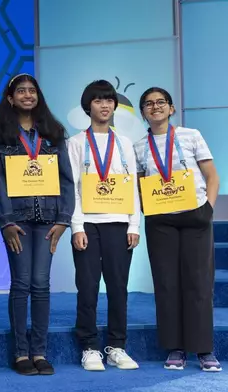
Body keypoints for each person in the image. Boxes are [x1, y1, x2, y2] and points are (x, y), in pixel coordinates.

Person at [0, 73, 74, 376]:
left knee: (42, 285)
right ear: (10, 98)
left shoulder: (53, 132)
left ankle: (40, 351)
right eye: (20, 91)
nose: (27, 95)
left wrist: (64, 220)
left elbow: (66, 180)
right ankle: (21, 353)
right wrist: (6, 221)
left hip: (49, 220)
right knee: (21, 284)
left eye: (32, 90)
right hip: (18, 222)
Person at [134, 87, 221, 372]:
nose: (155, 107)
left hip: (195, 216)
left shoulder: (190, 135)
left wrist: (207, 208)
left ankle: (204, 350)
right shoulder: (139, 146)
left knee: (198, 283)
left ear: (171, 109)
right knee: (167, 284)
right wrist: (147, 209)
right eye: (148, 103)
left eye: (161, 102)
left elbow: (211, 176)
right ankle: (175, 348)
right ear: (143, 112)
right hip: (161, 221)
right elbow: (138, 183)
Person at [68, 80, 140, 372]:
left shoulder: (124, 143)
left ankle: (116, 347)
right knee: (87, 287)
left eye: (109, 100)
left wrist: (134, 224)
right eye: (98, 100)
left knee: (118, 287)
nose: (105, 105)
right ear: (88, 107)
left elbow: (133, 184)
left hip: (120, 224)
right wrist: (76, 227)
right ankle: (89, 347)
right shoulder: (75, 143)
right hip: (88, 224)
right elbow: (71, 188)